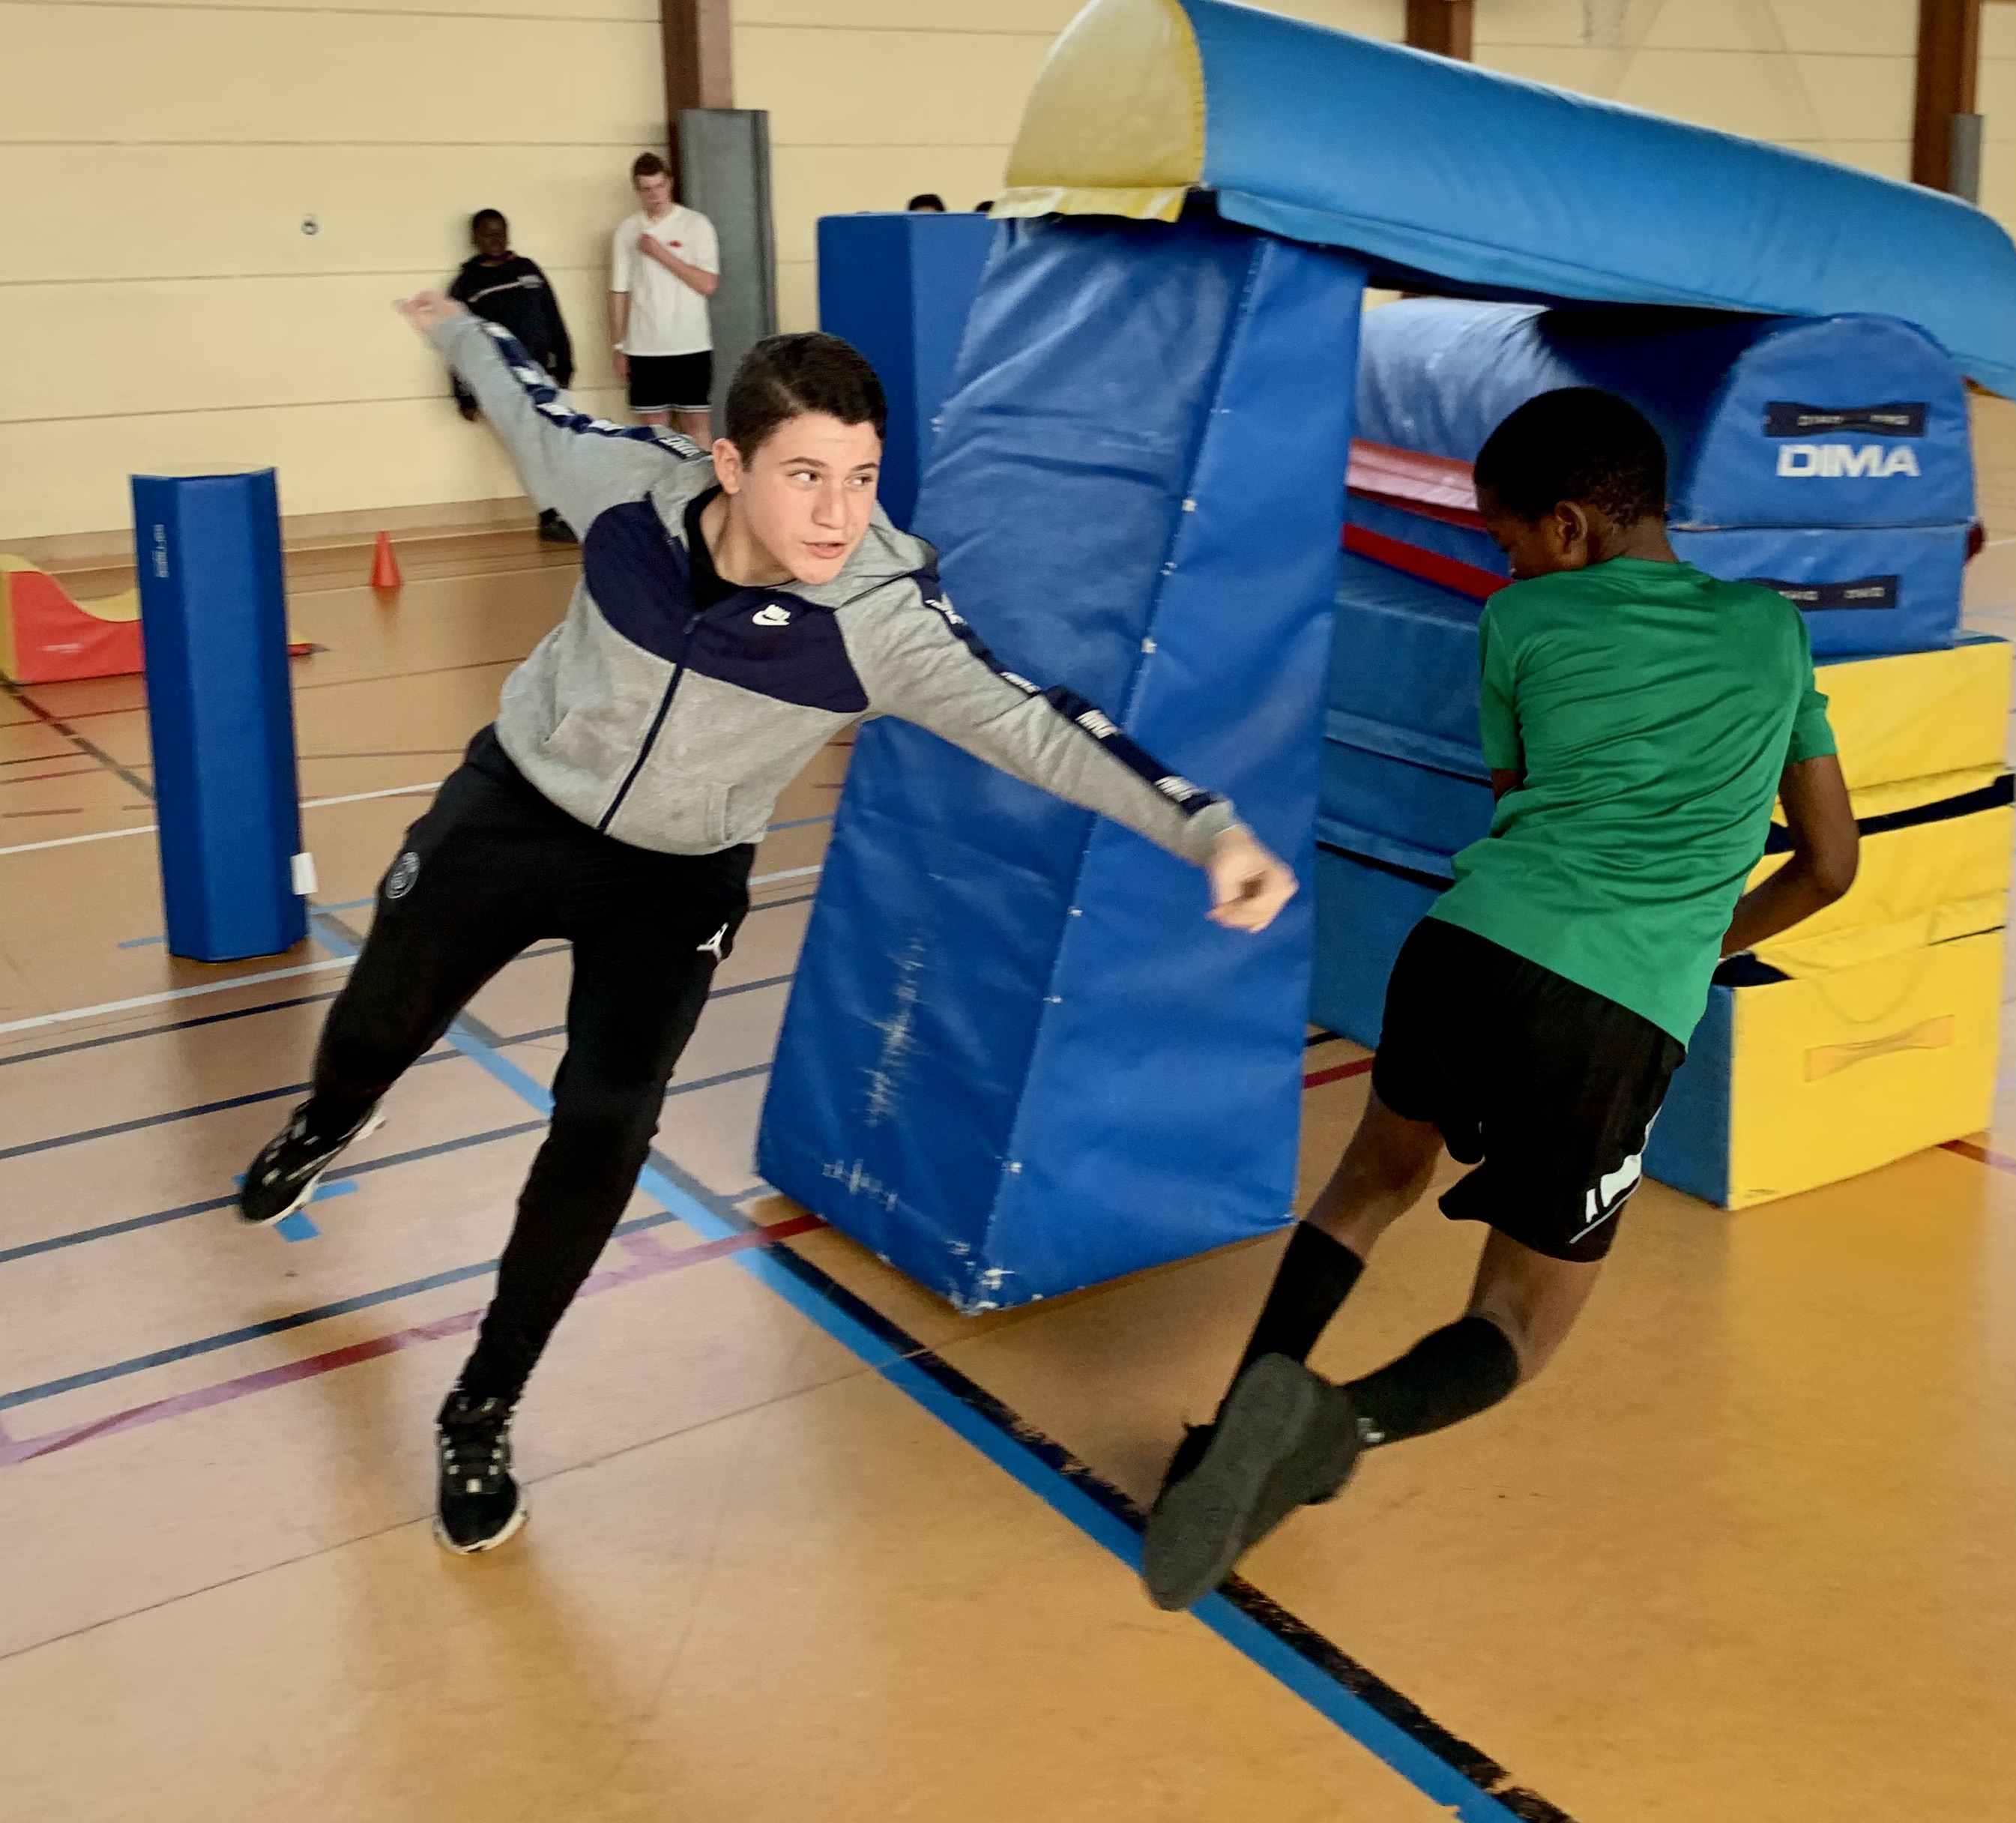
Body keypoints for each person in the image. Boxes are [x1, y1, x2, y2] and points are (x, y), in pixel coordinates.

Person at [238, 294, 1299, 1558]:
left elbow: (1036, 722)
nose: (838, 514)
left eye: (861, 478)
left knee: (605, 1124)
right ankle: (331, 1117)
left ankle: (484, 1402)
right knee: (375, 1024)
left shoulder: (879, 618)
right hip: (517, 805)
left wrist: (1206, 829)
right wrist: (458, 325)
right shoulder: (622, 494)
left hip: (674, 878)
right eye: (805, 476)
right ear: (729, 464)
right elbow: (526, 402)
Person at [1141, 388, 1860, 1611]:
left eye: (1505, 540)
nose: (1504, 564)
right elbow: (1830, 865)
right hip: (1612, 1010)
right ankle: (1332, 1425)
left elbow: (1520, 801)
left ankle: (1225, 1437)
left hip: (1464, 948)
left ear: (1568, 526)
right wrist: (1689, 948)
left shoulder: (1518, 620)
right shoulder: (1770, 630)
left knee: (1369, 1181)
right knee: (1518, 1327)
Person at [450, 209, 579, 543]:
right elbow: (458, 343)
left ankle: (572, 509)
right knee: (530, 448)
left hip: (543, 376)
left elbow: (554, 319)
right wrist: (464, 395)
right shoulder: (467, 286)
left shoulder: (529, 270)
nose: (496, 239)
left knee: (560, 441)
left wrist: (564, 366)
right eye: (488, 233)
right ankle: (549, 517)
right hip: (502, 382)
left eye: (501, 232)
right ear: (475, 238)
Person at [609, 152, 718, 444]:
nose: (655, 195)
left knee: (696, 423)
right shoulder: (627, 230)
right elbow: (619, 291)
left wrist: (660, 253)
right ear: (637, 190)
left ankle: (704, 475)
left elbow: (707, 284)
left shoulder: (696, 225)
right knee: (656, 429)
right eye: (646, 189)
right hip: (644, 347)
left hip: (690, 343)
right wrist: (619, 346)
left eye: (659, 186)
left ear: (669, 183)